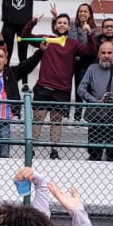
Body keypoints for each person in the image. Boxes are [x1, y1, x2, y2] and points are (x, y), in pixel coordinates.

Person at [14, 10, 82, 158]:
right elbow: (25, 36)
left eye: (65, 23)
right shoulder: (47, 39)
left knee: (56, 121)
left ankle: (54, 151)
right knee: (38, 119)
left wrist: (89, 33)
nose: (62, 25)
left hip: (62, 90)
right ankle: (30, 149)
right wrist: (32, 22)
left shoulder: (73, 44)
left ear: (68, 26)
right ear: (55, 25)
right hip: (43, 88)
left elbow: (89, 51)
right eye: (59, 22)